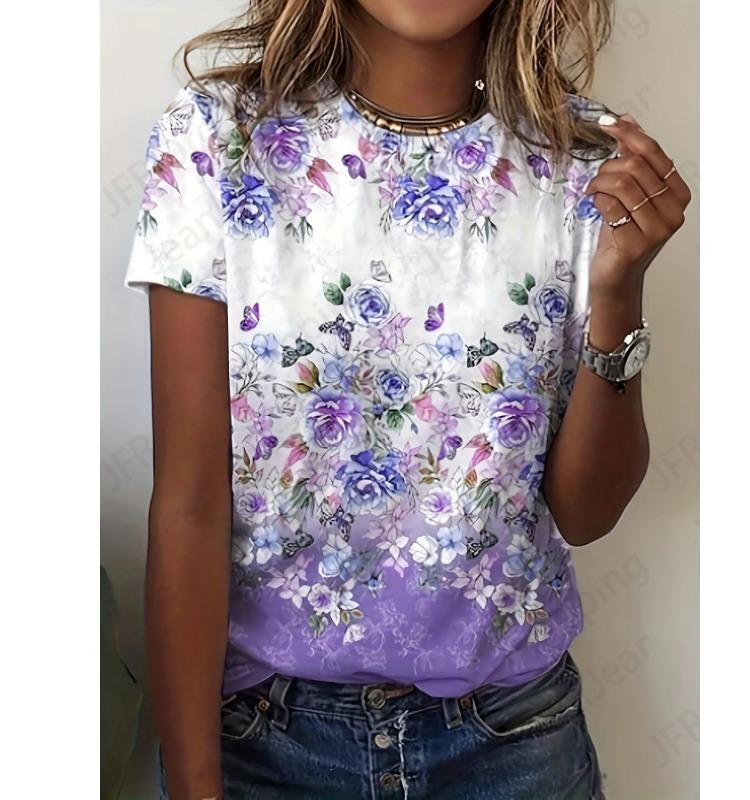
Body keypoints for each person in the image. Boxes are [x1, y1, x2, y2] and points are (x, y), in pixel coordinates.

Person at [123, 1, 690, 797]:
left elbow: (586, 513)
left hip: (511, 744)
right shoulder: (218, 139)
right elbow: (189, 503)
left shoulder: (583, 165)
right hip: (263, 742)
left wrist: (620, 290)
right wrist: (193, 784)